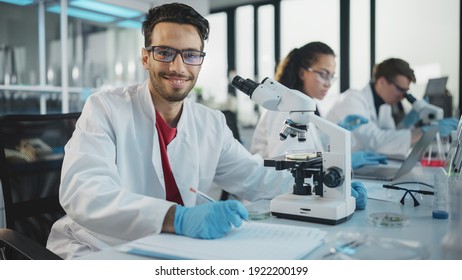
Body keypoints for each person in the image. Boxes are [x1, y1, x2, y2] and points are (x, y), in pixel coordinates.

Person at [46, 3, 296, 259]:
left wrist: (319, 182)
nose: (178, 67)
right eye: (164, 52)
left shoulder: (211, 123)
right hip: (98, 248)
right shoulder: (106, 108)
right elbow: (84, 191)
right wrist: (177, 218)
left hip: (172, 248)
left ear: (200, 61)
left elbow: (254, 178)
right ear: (145, 57)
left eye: (191, 54)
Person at [250, 42, 387, 169]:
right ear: (302, 73)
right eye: (323, 74)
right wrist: (341, 163)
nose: (328, 83)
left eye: (332, 76)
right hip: (270, 192)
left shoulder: (305, 106)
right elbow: (286, 166)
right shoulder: (285, 109)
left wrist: (335, 132)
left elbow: (308, 147)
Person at [326, 58, 457, 157]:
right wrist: (426, 131)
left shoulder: (384, 106)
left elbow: (390, 137)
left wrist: (406, 125)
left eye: (406, 92)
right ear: (382, 82)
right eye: (400, 89)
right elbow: (377, 141)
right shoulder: (353, 99)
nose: (402, 96)